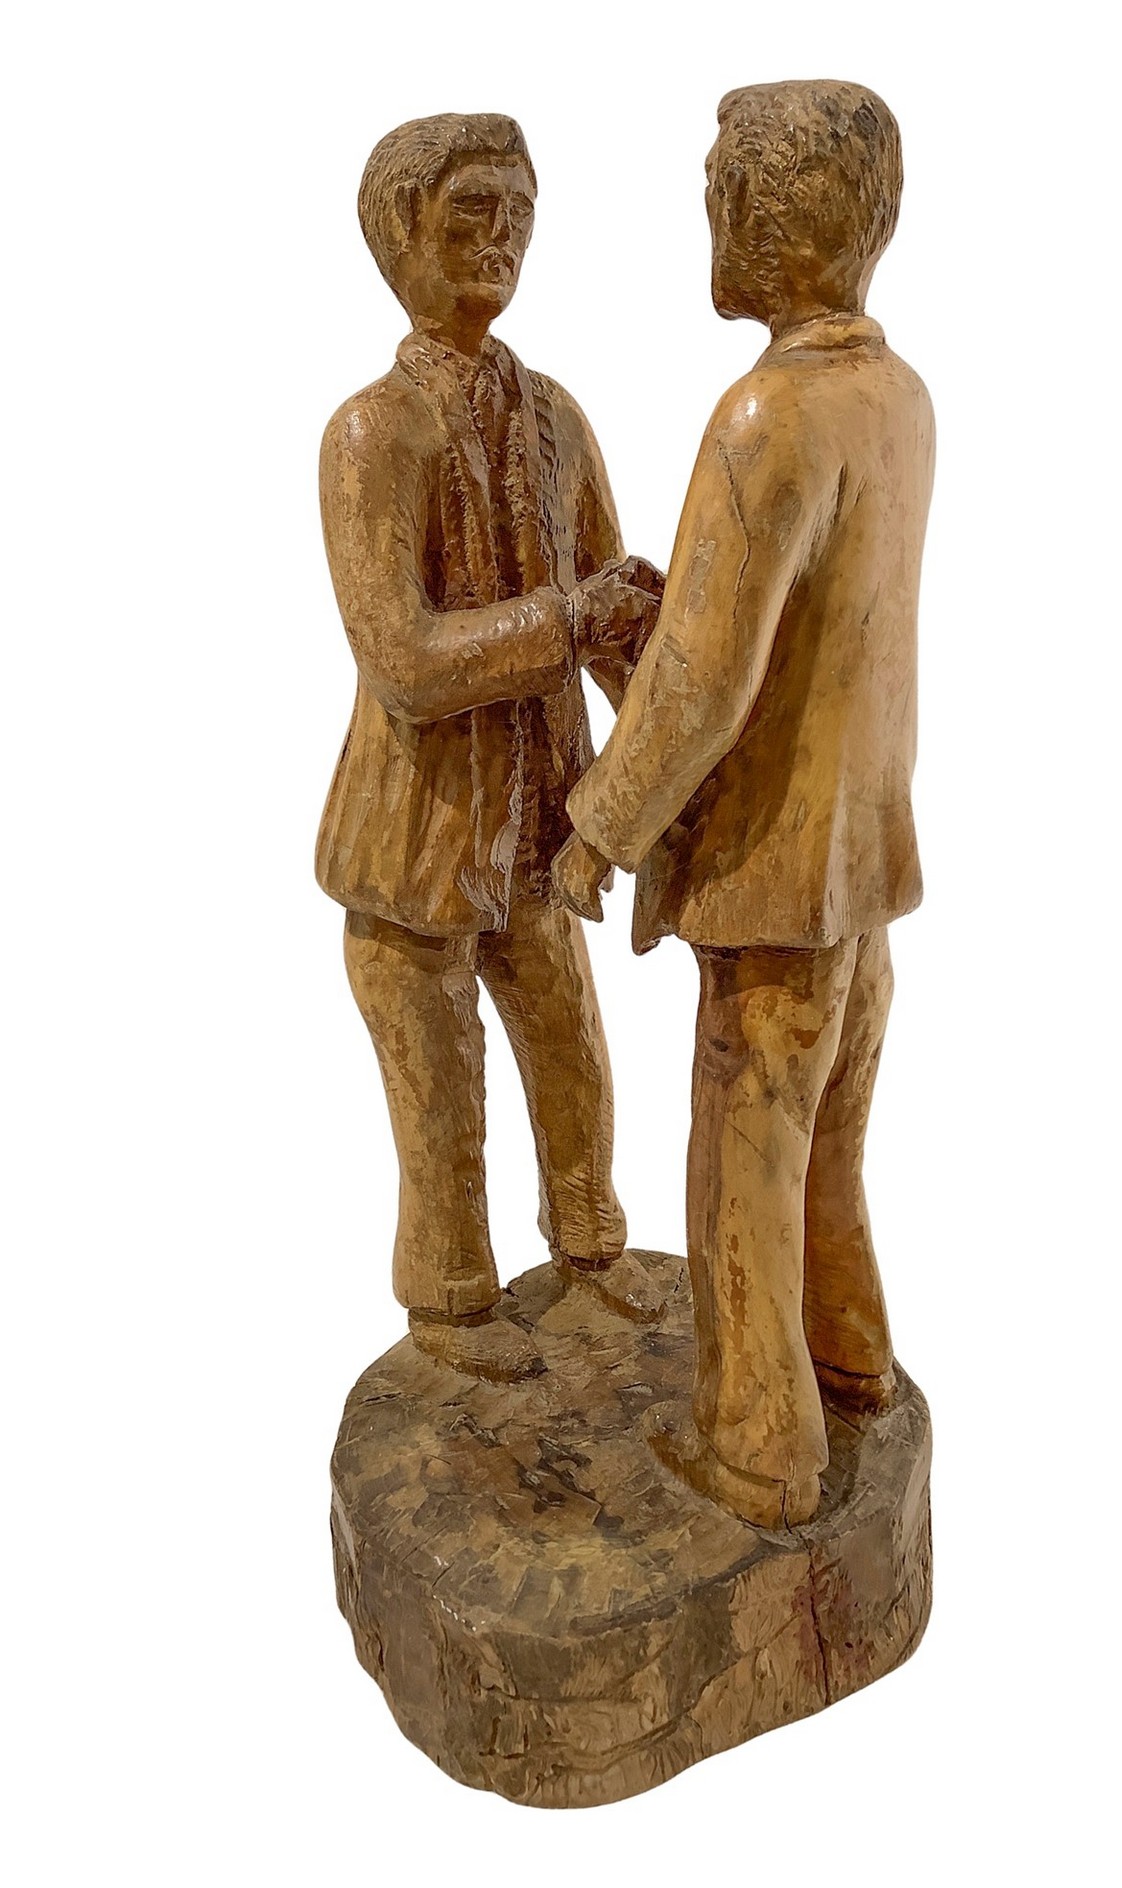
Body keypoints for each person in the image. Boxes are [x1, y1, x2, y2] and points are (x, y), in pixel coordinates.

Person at [554, 82, 935, 1522]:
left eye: (720, 191)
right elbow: (808, 640)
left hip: (774, 873)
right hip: (859, 859)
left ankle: (761, 1453)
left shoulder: (767, 415)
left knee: (745, 1159)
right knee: (829, 1140)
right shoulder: (896, 396)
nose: (707, 216)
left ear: (772, 220)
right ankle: (849, 1361)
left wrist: (600, 823)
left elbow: (707, 685)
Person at [317, 114, 663, 1382]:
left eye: (519, 207)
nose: (502, 232)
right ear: (398, 234)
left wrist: (675, 747)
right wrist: (569, 621)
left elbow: (620, 622)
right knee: (440, 1087)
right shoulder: (372, 435)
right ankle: (452, 1304)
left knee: (571, 1051)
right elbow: (403, 660)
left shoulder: (557, 417)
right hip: (413, 843)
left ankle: (590, 1248)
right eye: (471, 208)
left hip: (539, 833)